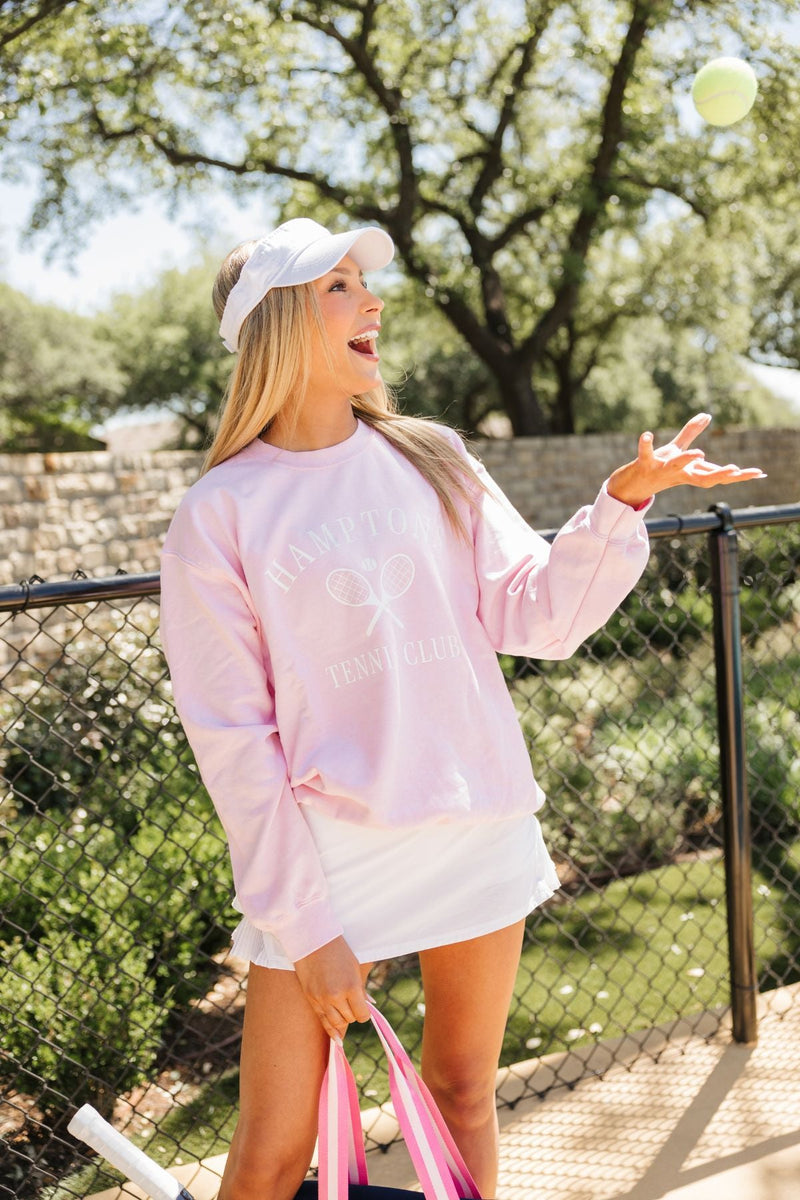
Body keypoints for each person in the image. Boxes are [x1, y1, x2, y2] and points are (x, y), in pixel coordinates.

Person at [158, 217, 765, 1200]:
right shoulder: (218, 515)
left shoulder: (431, 455)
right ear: (273, 321)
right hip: (330, 861)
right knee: (272, 1154)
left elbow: (540, 614)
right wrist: (306, 927)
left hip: (475, 821)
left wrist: (617, 504)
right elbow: (234, 745)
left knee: (460, 1096)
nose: (373, 302)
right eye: (338, 286)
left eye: (366, 284)